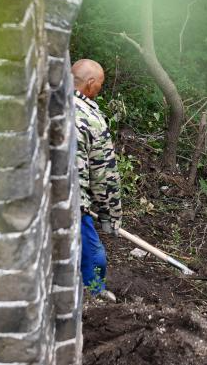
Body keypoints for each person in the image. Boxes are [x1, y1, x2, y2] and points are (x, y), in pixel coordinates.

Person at [72, 58, 122, 299]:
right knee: (95, 257)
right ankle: (93, 298)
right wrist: (109, 217)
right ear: (90, 83)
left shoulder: (42, 103)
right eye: (100, 85)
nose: (99, 90)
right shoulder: (90, 118)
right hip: (70, 203)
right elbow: (104, 175)